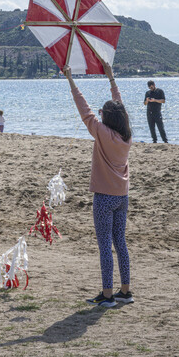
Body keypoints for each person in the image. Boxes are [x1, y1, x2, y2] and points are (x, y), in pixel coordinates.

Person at [63, 60, 133, 308]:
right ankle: (125, 291)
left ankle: (107, 294)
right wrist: (111, 77)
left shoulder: (101, 132)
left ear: (106, 117)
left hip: (104, 197)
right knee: (120, 242)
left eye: (102, 113)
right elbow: (119, 106)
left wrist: (70, 79)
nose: (99, 115)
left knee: (105, 244)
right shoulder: (126, 134)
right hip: (122, 196)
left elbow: (84, 108)